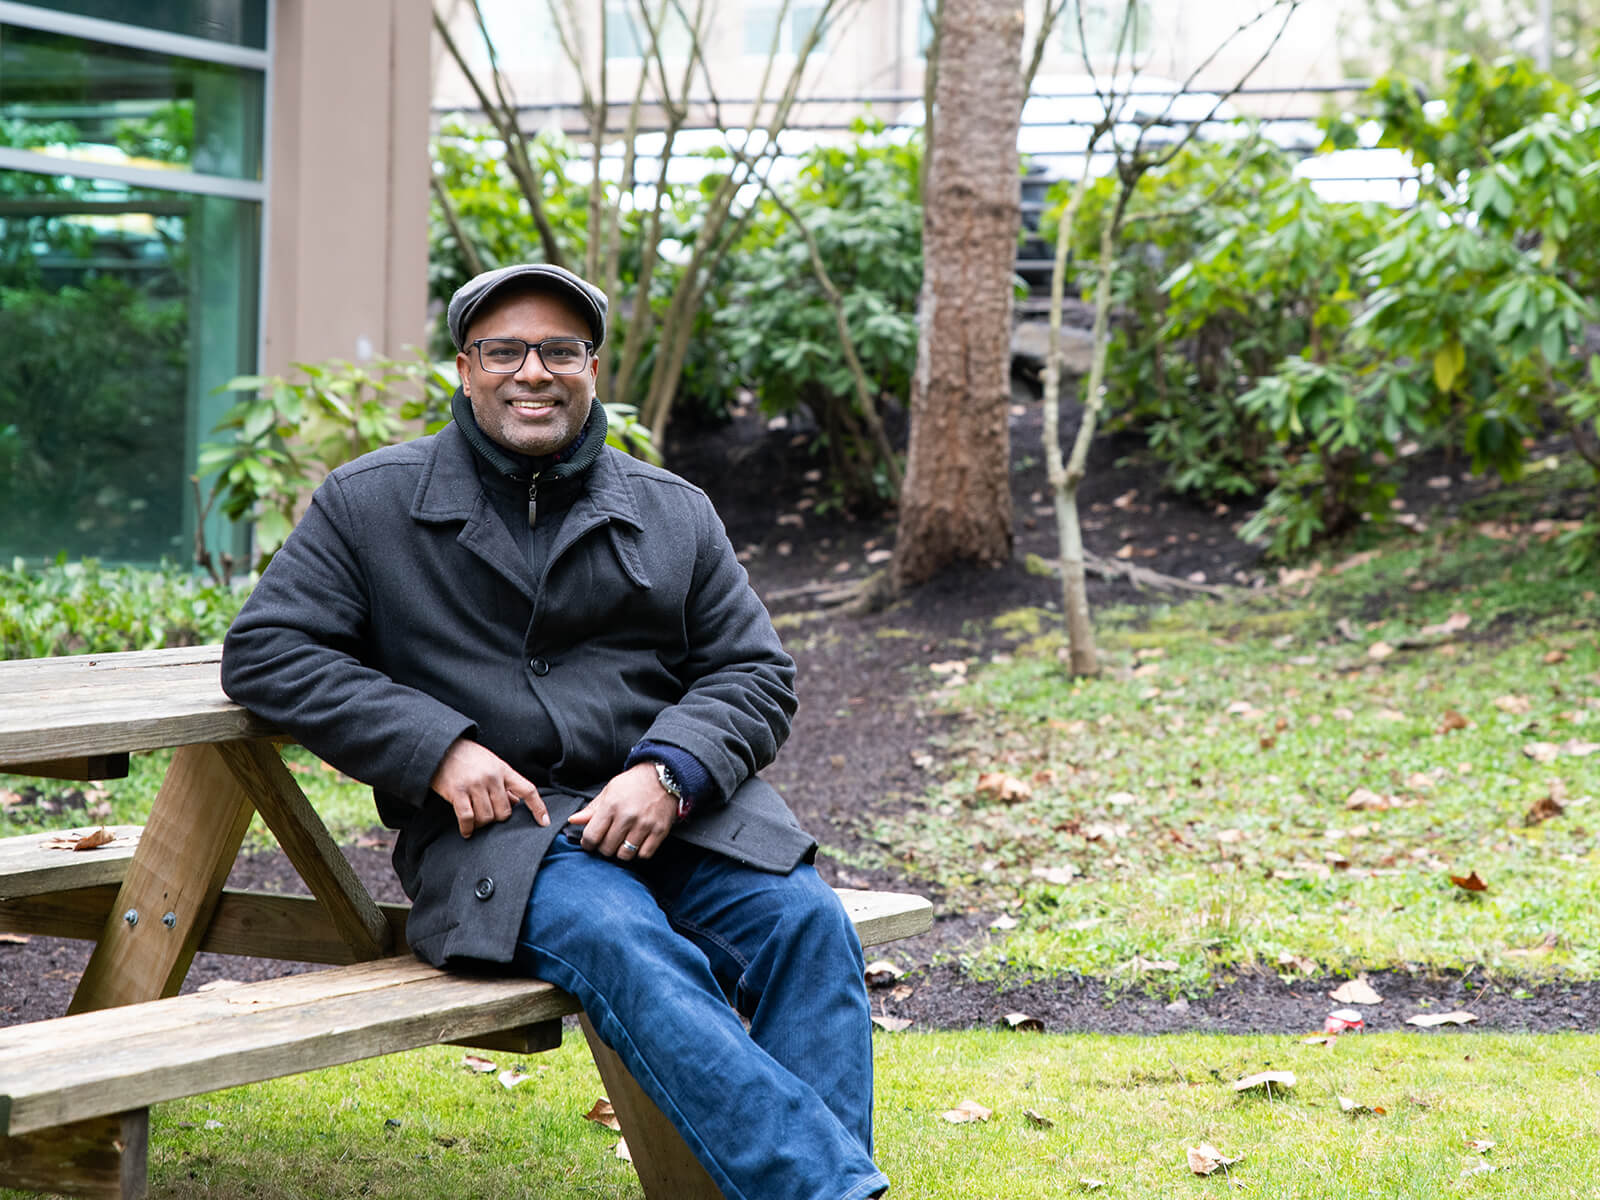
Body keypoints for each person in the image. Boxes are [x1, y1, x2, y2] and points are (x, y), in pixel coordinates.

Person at [220, 263, 887, 1200]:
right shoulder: (369, 502)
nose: (532, 371)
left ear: (592, 369)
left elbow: (754, 672)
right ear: (464, 368)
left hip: (679, 819)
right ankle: (831, 1192)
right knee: (623, 938)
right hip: (497, 840)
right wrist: (437, 745)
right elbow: (268, 652)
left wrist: (671, 770)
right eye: (504, 350)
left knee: (808, 924)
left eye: (559, 350)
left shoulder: (672, 510)